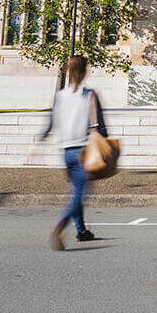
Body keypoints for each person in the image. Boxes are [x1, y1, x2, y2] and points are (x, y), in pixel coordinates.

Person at [42, 54, 105, 250]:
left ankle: (81, 230)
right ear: (84, 71)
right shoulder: (89, 95)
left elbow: (51, 123)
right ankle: (59, 227)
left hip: (66, 151)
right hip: (82, 150)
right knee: (80, 193)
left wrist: (41, 138)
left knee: (75, 190)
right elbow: (98, 125)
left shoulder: (60, 95)